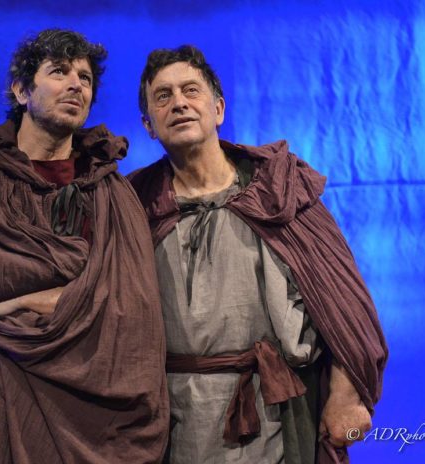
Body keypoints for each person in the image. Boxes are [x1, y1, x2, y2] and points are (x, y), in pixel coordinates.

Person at [0, 29, 168, 463]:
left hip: (85, 404)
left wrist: (21, 301)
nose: (76, 85)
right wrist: (80, 286)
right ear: (21, 90)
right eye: (59, 72)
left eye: (85, 78)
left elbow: (131, 305)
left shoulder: (110, 192)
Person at [129, 45, 388, 464]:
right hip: (177, 418)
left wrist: (346, 394)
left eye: (191, 90)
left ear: (218, 108)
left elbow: (346, 306)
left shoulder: (278, 192)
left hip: (278, 413)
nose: (178, 103)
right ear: (149, 126)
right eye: (163, 96)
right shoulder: (134, 207)